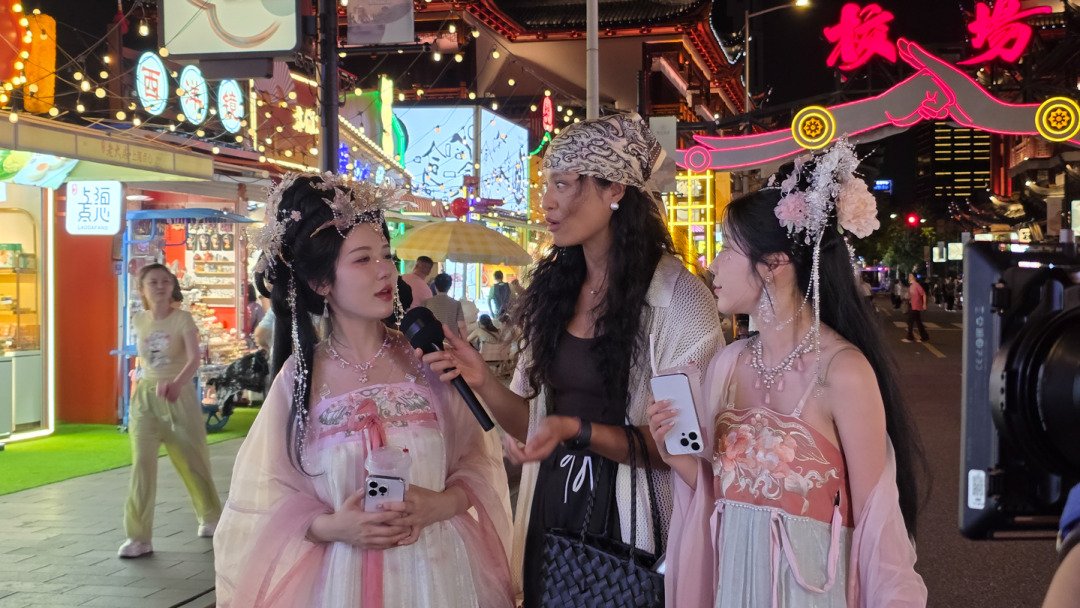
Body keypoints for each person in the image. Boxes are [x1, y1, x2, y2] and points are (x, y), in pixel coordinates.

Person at [419, 113, 723, 605]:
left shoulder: (678, 300)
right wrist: (482, 381)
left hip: (634, 526)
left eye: (562, 184)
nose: (548, 202)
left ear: (614, 189)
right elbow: (532, 424)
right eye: (546, 185)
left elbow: (684, 447)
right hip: (552, 508)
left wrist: (574, 430)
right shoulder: (555, 293)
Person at [213, 173, 513, 607]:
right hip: (340, 583)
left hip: (439, 577)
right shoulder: (298, 381)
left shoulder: (428, 360)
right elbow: (260, 507)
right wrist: (335, 526)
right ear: (320, 283)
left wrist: (441, 505)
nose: (385, 270)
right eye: (362, 259)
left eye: (387, 255)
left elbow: (479, 463)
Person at [651, 141, 927, 607]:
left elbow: (879, 525)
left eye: (725, 251)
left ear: (774, 264)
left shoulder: (843, 372)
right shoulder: (729, 363)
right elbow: (722, 498)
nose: (712, 265)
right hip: (734, 585)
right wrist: (677, 457)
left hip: (812, 591)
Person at [119, 264, 222, 558]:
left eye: (165, 281)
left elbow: (193, 359)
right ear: (142, 289)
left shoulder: (183, 320)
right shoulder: (139, 321)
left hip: (179, 397)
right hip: (146, 399)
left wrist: (176, 384)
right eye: (153, 282)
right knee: (142, 464)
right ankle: (138, 536)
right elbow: (144, 361)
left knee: (191, 460)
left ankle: (211, 515)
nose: (160, 286)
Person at [425, 272, 467, 339]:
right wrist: (465, 343)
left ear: (435, 286)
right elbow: (461, 326)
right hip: (452, 344)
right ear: (449, 286)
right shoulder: (456, 304)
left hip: (433, 344)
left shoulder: (426, 303)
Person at [903, 272, 930, 343]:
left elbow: (923, 294)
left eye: (910, 276)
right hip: (911, 305)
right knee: (918, 322)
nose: (909, 277)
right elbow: (910, 296)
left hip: (916, 306)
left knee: (910, 321)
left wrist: (924, 304)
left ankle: (910, 337)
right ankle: (925, 337)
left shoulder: (916, 285)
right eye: (909, 276)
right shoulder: (911, 286)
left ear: (914, 277)